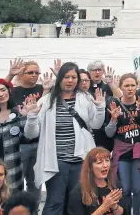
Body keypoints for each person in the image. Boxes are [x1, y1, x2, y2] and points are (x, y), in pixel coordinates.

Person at [22, 62, 106, 215]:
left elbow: (96, 124)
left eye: (74, 77)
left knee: (82, 201)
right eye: (66, 76)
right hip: (56, 162)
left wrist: (100, 108)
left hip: (81, 160)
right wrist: (32, 116)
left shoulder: (86, 98)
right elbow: (31, 134)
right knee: (55, 201)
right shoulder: (46, 101)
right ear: (59, 78)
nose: (70, 80)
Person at [105, 74, 140, 215]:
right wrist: (113, 120)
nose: (130, 89)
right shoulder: (113, 104)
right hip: (122, 153)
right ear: (121, 87)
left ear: (137, 86)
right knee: (125, 189)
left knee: (139, 188)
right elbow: (109, 133)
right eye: (126, 86)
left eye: (133, 85)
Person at [0, 80, 25, 193]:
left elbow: (30, 135)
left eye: (3, 90)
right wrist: (9, 75)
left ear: (9, 91)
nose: (0, 94)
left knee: (12, 199)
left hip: (13, 165)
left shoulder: (19, 112)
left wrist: (28, 116)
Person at [67, 147, 125, 215]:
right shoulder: (78, 192)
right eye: (99, 163)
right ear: (90, 167)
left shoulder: (115, 185)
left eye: (107, 160)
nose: (105, 165)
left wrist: (114, 206)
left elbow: (125, 213)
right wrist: (104, 207)